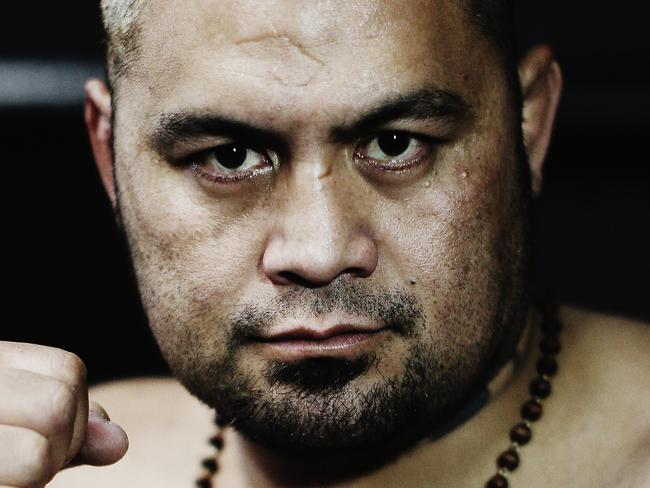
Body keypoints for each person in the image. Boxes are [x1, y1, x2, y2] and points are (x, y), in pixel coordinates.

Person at [1, 0, 649, 486]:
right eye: (229, 156)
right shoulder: (64, 472)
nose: (318, 251)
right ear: (110, 159)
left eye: (396, 143)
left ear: (527, 126)